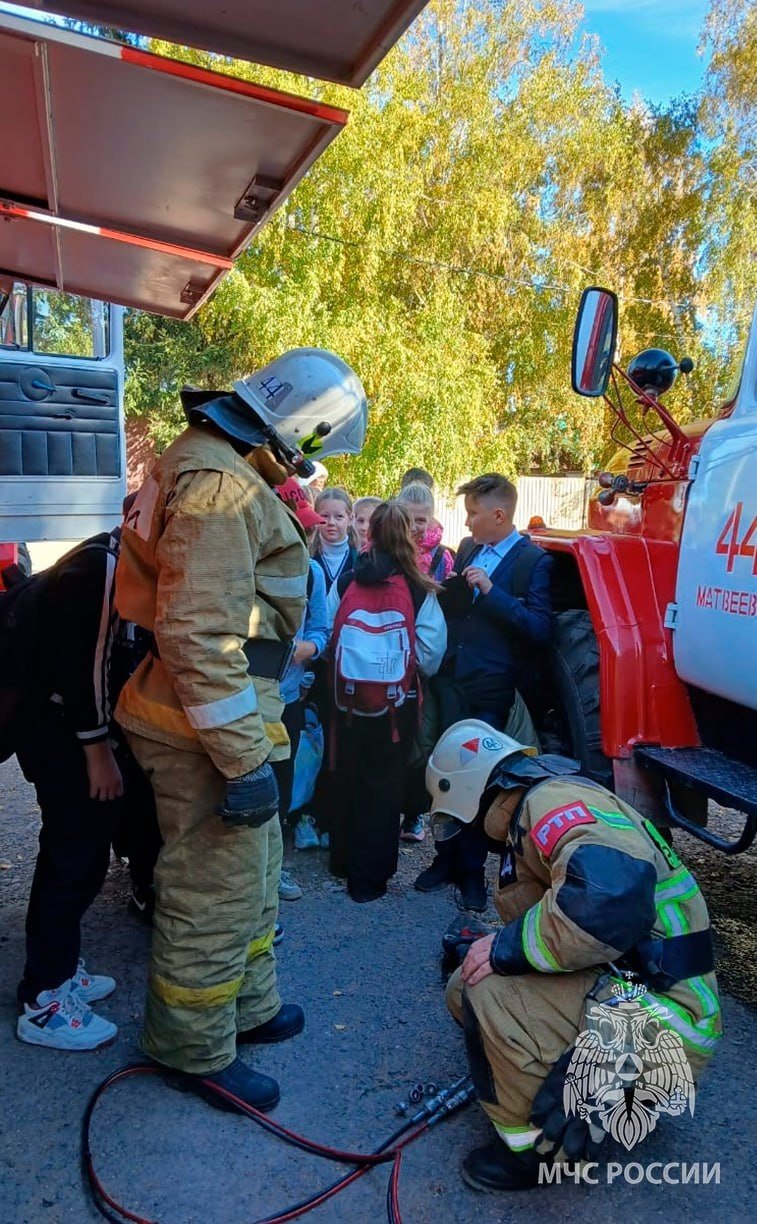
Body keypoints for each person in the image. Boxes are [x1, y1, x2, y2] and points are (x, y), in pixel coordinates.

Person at [114, 348, 367, 1113]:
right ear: (297, 422)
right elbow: (197, 633)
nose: (305, 460)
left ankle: (246, 1008)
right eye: (310, 442)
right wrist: (241, 760)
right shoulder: (220, 481)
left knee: (252, 882)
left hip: (230, 711)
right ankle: (190, 1050)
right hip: (204, 726)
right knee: (213, 892)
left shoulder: (215, 458)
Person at [426, 720, 722, 1192]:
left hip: (667, 1023)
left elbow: (610, 900)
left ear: (469, 794)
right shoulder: (546, 804)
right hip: (648, 995)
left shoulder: (548, 804)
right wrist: (490, 946)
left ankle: (539, 1153)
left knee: (487, 986)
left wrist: (505, 950)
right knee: (469, 977)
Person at [415, 474, 552, 911]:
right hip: (451, 680)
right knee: (444, 773)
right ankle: (444, 860)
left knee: (478, 781)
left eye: (474, 513)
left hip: (491, 687)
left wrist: (492, 593)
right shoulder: (470, 549)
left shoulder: (533, 562)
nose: (467, 521)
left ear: (499, 514)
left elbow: (539, 630)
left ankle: (470, 872)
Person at [13, 535, 124, 1050]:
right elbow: (86, 667)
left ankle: (57, 968)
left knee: (78, 850)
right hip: (54, 730)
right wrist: (97, 750)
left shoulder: (106, 557)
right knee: (72, 855)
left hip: (55, 727)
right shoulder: (103, 565)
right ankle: (44, 999)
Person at [325, 502, 447, 902]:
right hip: (397, 705)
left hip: (347, 703)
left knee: (348, 777)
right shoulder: (417, 585)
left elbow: (328, 632)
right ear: (408, 537)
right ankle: (370, 879)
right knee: (383, 786)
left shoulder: (347, 581)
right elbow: (430, 653)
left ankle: (341, 860)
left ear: (369, 533)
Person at [272, 478, 329, 900]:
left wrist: (306, 648)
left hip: (286, 700)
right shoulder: (243, 568)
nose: (304, 535)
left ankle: (273, 871)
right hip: (240, 702)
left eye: (305, 528)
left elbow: (322, 629)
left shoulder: (312, 575)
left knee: (278, 788)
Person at [396, 481, 454, 582]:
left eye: (420, 521)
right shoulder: (384, 550)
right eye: (407, 519)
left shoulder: (442, 558)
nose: (413, 527)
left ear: (430, 520)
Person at [311, 487, 358, 594]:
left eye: (339, 517)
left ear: (350, 519)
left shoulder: (358, 559)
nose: (331, 522)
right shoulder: (309, 557)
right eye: (325, 516)